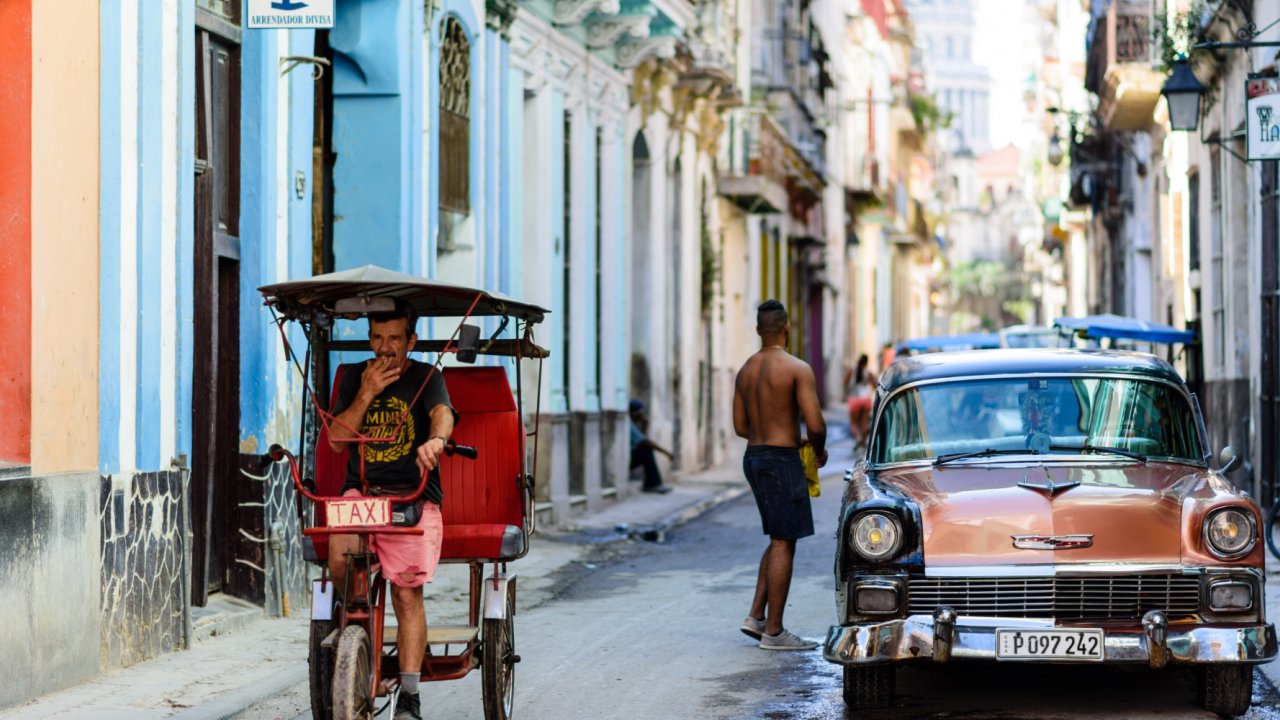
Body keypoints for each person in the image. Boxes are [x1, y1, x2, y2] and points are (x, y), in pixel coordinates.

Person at [327, 299, 457, 720]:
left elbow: (442, 414)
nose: (385, 348)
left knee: (405, 591)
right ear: (370, 339)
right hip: (361, 494)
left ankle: (411, 697)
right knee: (339, 561)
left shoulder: (426, 376)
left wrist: (436, 441)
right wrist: (366, 392)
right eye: (378, 338)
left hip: (411, 497)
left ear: (411, 341)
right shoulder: (352, 378)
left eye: (395, 339)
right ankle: (358, 636)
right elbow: (335, 441)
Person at [732, 299, 827, 651]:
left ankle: (756, 616)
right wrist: (816, 450)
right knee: (785, 540)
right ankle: (774, 632)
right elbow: (816, 424)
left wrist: (782, 434)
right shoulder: (797, 369)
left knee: (778, 536)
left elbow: (741, 426)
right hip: (781, 461)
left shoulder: (745, 370)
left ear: (759, 330)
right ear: (787, 327)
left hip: (754, 457)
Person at [629, 399, 674, 493]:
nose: (642, 416)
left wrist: (645, 426)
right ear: (635, 414)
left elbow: (642, 439)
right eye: (640, 413)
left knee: (646, 449)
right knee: (646, 449)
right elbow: (646, 442)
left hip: (630, 457)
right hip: (626, 460)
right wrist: (667, 453)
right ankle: (653, 484)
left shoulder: (632, 424)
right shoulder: (629, 424)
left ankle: (652, 483)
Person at [844, 354, 877, 448]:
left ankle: (858, 438)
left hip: (854, 399)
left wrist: (847, 392)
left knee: (854, 423)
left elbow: (845, 383)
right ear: (866, 363)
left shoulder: (852, 370)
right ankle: (863, 442)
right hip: (865, 399)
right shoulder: (868, 372)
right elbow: (875, 385)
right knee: (865, 423)